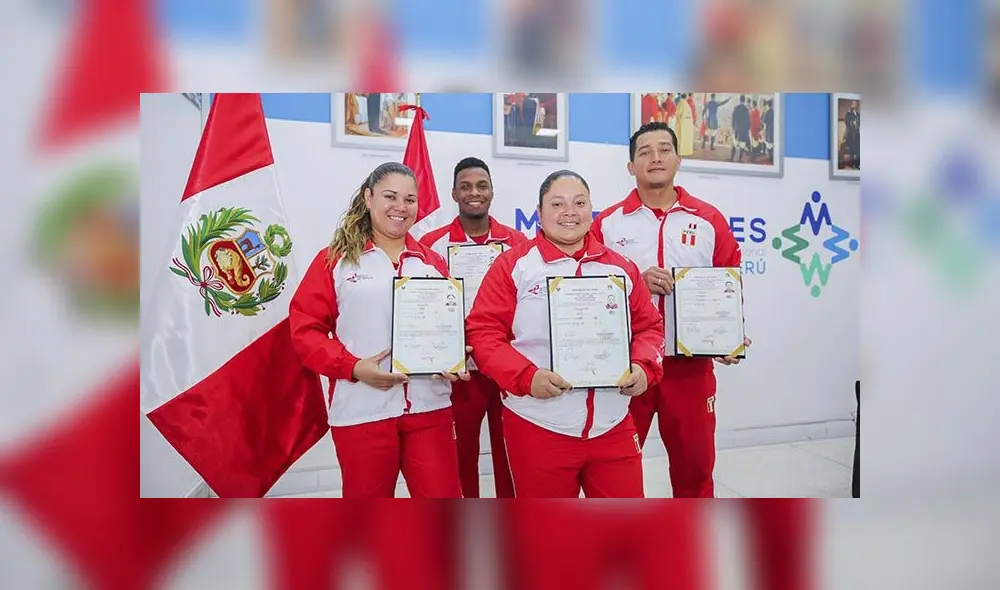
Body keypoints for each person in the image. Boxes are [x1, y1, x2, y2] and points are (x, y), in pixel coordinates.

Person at [466, 170, 665, 498]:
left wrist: (644, 366)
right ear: (539, 213)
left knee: (624, 535)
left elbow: (649, 327)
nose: (569, 211)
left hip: (612, 426)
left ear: (592, 211)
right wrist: (526, 377)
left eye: (579, 203)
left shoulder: (620, 268)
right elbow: (483, 333)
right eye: (557, 203)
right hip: (538, 425)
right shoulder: (513, 266)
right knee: (548, 538)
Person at [591, 122, 751, 498]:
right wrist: (635, 285)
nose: (656, 157)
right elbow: (593, 293)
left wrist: (729, 333)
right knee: (616, 473)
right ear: (630, 166)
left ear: (679, 158)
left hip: (691, 369)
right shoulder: (608, 224)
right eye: (644, 151)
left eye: (664, 149)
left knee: (695, 470)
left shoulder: (708, 220)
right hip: (628, 367)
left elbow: (729, 285)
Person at [289, 161, 468, 498]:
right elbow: (305, 331)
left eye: (410, 199)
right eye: (390, 196)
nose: (401, 207)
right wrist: (352, 367)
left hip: (430, 409)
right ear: (368, 198)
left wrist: (455, 356)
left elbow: (448, 327)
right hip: (362, 410)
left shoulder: (432, 263)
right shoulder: (336, 261)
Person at [419, 157, 528, 498]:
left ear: (492, 192)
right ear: (454, 193)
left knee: (510, 456)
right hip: (460, 371)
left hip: (507, 369)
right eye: (465, 186)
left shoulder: (518, 243)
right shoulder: (431, 246)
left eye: (481, 186)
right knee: (458, 457)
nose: (474, 193)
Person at [731, 95, 751, 162]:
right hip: (743, 131)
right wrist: (747, 130)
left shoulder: (736, 108)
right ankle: (739, 159)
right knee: (742, 146)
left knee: (734, 144)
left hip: (736, 129)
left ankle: (732, 158)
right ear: (744, 100)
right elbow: (748, 121)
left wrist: (733, 128)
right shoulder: (746, 109)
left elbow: (733, 119)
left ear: (739, 100)